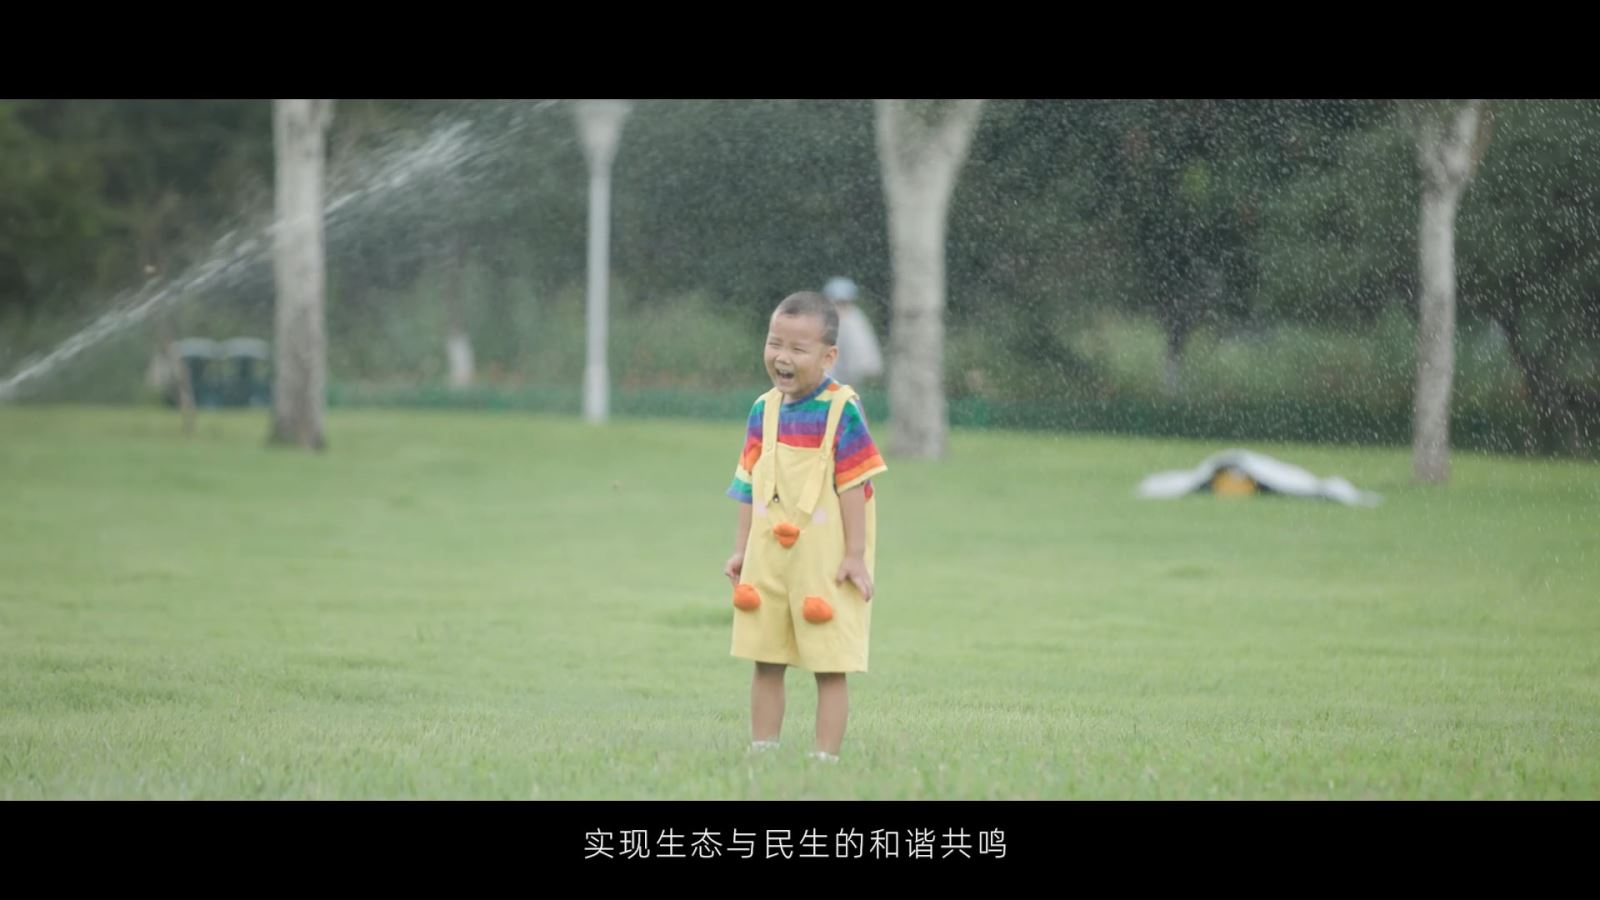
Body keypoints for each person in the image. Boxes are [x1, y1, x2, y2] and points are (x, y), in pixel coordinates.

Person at [722, 290, 887, 762]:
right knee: (766, 657)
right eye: (775, 343)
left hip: (825, 560)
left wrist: (854, 555)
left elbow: (854, 484)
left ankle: (824, 759)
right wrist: (742, 549)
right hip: (770, 555)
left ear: (829, 356)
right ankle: (763, 750)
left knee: (829, 663)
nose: (782, 357)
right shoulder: (763, 409)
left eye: (798, 348)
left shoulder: (842, 409)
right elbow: (749, 483)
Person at [822, 277, 884, 390]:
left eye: (844, 303)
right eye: (837, 303)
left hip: (850, 373)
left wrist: (870, 365)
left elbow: (864, 342)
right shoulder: (822, 318)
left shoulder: (855, 318)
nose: (841, 307)